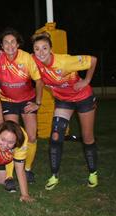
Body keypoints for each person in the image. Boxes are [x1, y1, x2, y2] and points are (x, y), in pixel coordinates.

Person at [31, 32, 99, 190]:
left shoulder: (64, 61)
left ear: (51, 49)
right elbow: (18, 58)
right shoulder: (34, 61)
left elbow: (93, 60)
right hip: (63, 100)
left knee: (87, 137)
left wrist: (87, 81)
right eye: (37, 49)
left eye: (44, 48)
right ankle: (54, 176)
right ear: (33, 51)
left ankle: (93, 172)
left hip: (83, 98)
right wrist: (1, 54)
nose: (41, 52)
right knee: (55, 136)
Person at [0, 28, 43, 191]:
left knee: (31, 136)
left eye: (12, 42)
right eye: (5, 42)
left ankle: (27, 169)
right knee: (11, 137)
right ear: (1, 46)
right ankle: (9, 175)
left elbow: (38, 81)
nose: (9, 45)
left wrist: (37, 102)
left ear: (18, 44)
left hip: (27, 100)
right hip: (8, 101)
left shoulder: (27, 58)